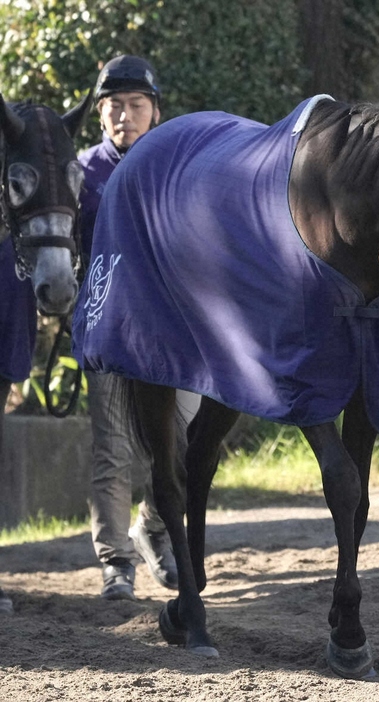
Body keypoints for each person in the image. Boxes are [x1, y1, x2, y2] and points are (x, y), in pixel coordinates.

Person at [80, 55, 178, 601]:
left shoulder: (175, 165)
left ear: (155, 113)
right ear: (100, 115)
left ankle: (153, 529)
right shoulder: (78, 173)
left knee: (182, 446)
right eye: (114, 106)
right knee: (114, 449)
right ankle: (117, 562)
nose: (125, 115)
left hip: (169, 334)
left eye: (136, 105)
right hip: (105, 331)